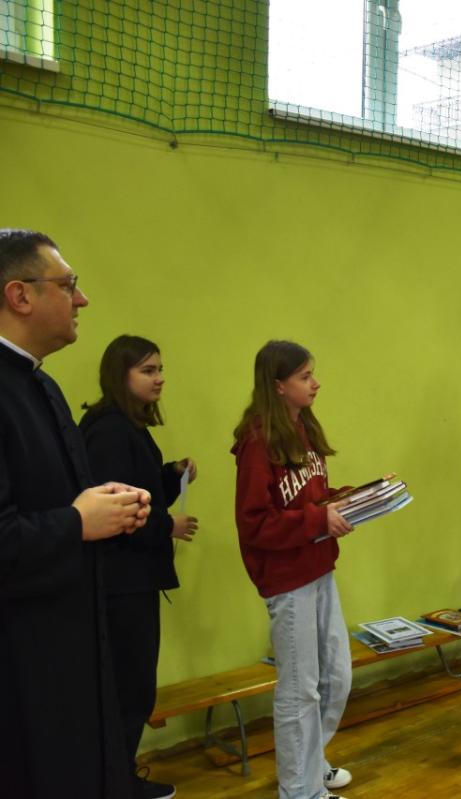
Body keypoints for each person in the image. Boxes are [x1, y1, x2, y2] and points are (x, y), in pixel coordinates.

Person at [0, 229, 151, 798]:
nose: (81, 299)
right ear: (20, 295)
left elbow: (54, 498)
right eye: (68, 285)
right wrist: (78, 522)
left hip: (68, 644)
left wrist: (105, 504)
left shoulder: (42, 384)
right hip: (22, 666)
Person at [232, 341, 356, 799]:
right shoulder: (257, 441)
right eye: (305, 376)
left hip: (319, 567)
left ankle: (310, 765)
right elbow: (254, 523)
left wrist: (348, 500)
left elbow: (307, 499)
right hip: (287, 580)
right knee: (299, 688)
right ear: (279, 385)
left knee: (337, 677)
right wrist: (317, 519)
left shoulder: (303, 428)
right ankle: (299, 791)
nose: (315, 383)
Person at [81, 335, 200, 799]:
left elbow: (140, 490)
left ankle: (118, 776)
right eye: (148, 370)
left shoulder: (126, 427)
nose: (160, 378)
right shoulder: (110, 430)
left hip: (130, 581)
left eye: (160, 369)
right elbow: (116, 511)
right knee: (128, 689)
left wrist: (170, 475)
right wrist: (168, 525)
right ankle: (117, 783)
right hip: (120, 583)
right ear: (121, 374)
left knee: (132, 688)